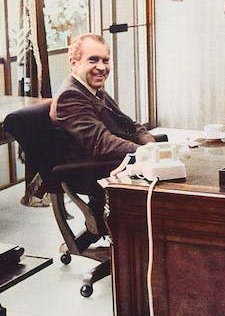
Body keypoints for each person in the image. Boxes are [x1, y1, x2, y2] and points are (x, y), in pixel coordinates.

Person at [50, 33, 156, 234]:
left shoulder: (93, 89)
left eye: (105, 60)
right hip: (93, 170)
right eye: (93, 60)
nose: (101, 67)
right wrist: (146, 152)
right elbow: (102, 143)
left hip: (114, 162)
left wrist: (151, 146)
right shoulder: (70, 96)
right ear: (74, 62)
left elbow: (130, 125)